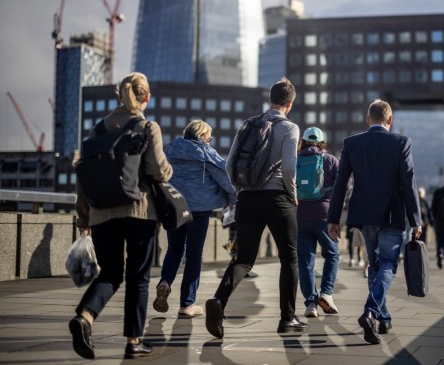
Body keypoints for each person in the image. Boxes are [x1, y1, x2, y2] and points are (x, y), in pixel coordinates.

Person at [70, 72, 172, 359]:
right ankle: (133, 341)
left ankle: (84, 318)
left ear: (119, 95)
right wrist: (169, 170)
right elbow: (157, 170)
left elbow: (85, 178)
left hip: (101, 214)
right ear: (146, 97)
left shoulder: (97, 130)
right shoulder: (147, 127)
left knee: (110, 274)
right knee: (138, 277)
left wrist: (84, 219)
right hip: (138, 210)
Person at [205, 77, 306, 338]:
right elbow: (288, 167)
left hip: (248, 198)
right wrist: (292, 194)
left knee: (244, 259)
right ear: (290, 103)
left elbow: (229, 165)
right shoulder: (290, 128)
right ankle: (287, 318)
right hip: (278, 199)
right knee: (290, 258)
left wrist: (240, 191)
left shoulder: (248, 124)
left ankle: (218, 301)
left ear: (270, 99)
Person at [328, 99, 422, 345]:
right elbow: (409, 183)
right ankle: (371, 312)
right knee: (388, 264)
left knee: (374, 265)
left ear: (368, 119)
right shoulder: (401, 142)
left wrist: (334, 219)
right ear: (390, 120)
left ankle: (383, 317)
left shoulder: (352, 143)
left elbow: (341, 184)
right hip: (392, 215)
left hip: (365, 215)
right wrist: (416, 219)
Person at [152, 120, 237, 318]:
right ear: (203, 136)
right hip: (198, 210)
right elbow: (226, 178)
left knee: (174, 248)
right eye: (209, 137)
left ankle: (165, 282)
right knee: (194, 253)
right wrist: (233, 199)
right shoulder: (206, 153)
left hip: (174, 207)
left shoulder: (170, 150)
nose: (210, 140)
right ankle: (187, 304)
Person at [296, 127, 340, 318]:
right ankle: (326, 293)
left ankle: (310, 304)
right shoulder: (329, 160)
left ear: (303, 141)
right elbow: (345, 184)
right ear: (322, 142)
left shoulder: (296, 159)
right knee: (332, 254)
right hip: (324, 216)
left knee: (306, 261)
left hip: (300, 216)